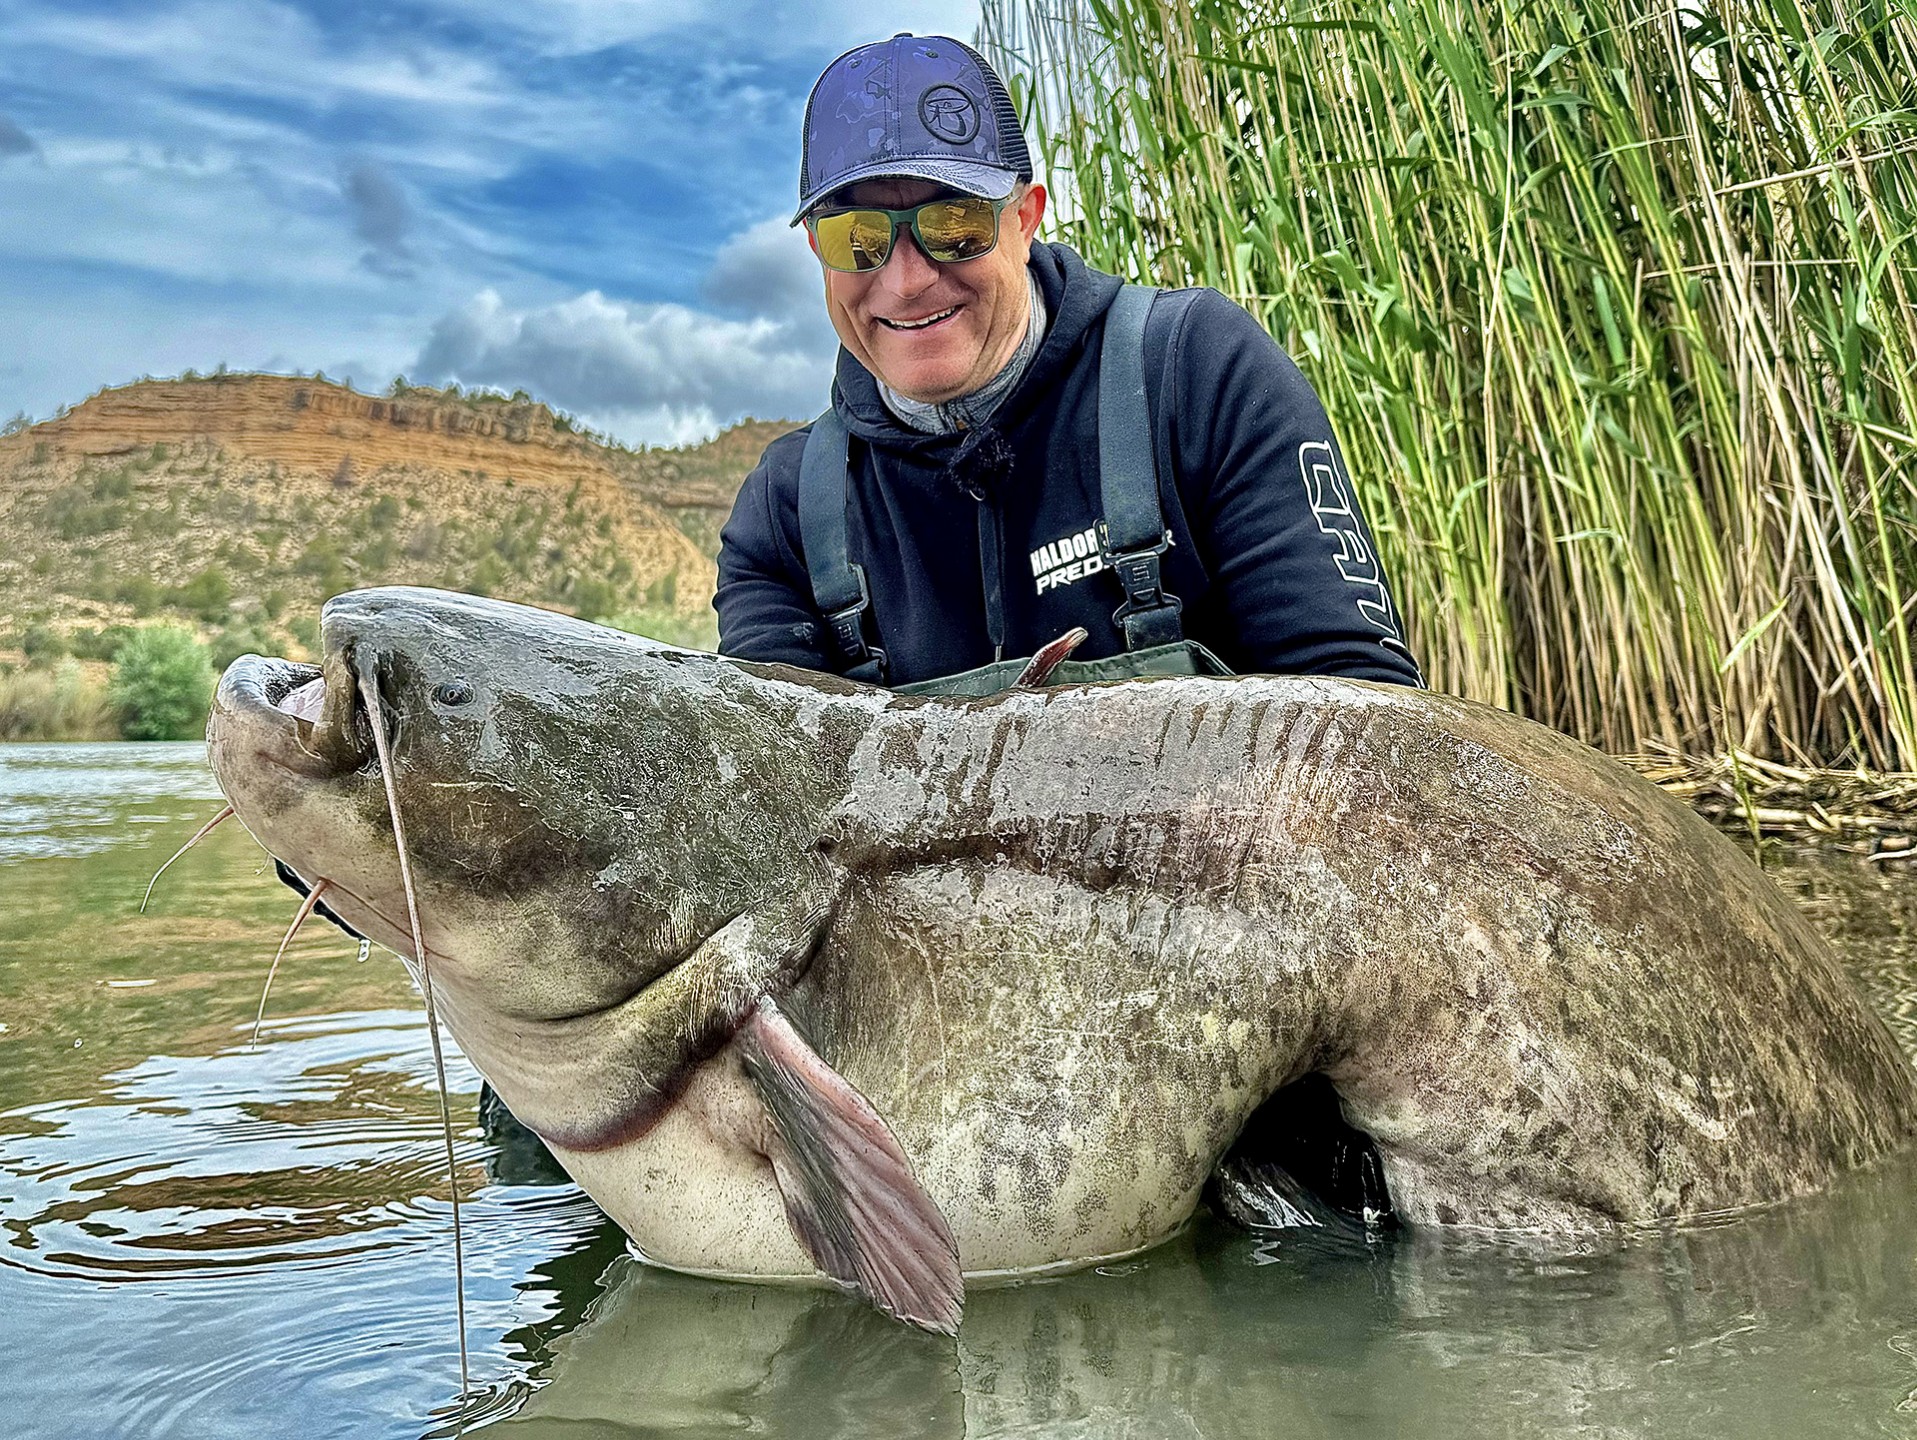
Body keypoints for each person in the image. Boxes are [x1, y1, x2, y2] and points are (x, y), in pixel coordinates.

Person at [715, 32, 1421, 696]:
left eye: (952, 224)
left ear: (1024, 219)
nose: (905, 281)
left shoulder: (1197, 372)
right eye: (857, 236)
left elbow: (1357, 713)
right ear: (817, 251)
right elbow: (775, 796)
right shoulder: (783, 513)